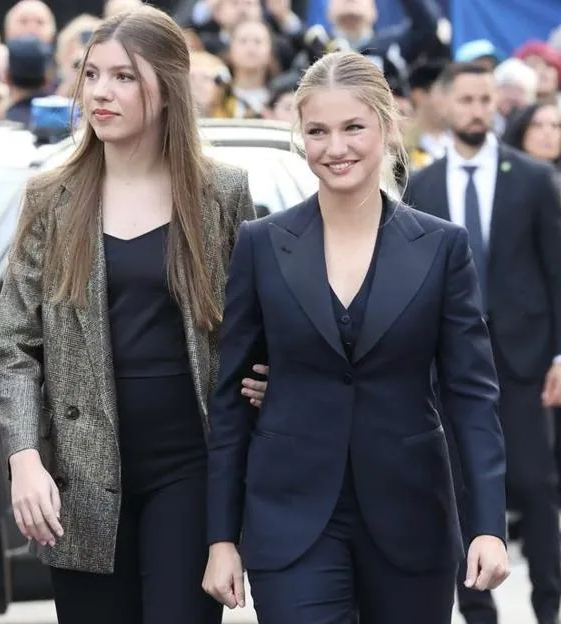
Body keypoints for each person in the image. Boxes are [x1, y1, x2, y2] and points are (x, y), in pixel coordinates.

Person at [203, 50, 509, 623]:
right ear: (300, 137)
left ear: (387, 129)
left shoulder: (442, 248)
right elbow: (229, 401)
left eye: (352, 128)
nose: (334, 147)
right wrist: (221, 536)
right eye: (317, 130)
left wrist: (488, 525)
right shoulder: (261, 244)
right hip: (289, 518)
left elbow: (472, 396)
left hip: (410, 515)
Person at [0, 7, 266, 624]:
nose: (100, 93)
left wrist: (273, 374)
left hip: (191, 466)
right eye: (91, 75)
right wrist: (24, 458)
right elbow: (13, 345)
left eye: (122, 77)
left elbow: (259, 323)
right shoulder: (52, 195)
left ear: (165, 88)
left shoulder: (220, 191)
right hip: (79, 476)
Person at [406, 62, 561, 624]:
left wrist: (560, 355)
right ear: (446, 105)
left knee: (535, 484)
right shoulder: (422, 185)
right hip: (448, 362)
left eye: (485, 98)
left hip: (523, 358)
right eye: (467, 98)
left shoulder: (533, 178)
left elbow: (555, 270)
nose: (477, 108)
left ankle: (549, 604)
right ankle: (477, 610)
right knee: (456, 485)